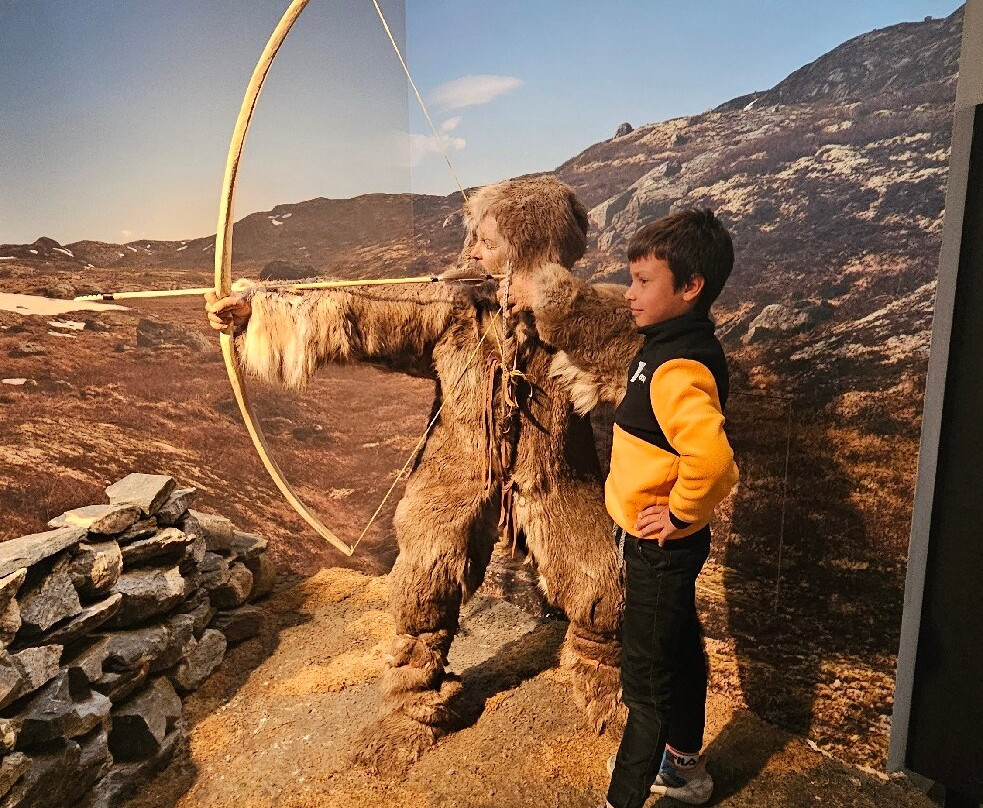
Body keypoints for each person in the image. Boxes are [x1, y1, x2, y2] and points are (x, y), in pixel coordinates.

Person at [203, 176, 626, 772]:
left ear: (530, 250)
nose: (471, 251)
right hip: (457, 469)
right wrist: (257, 310)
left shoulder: (585, 313)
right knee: (425, 571)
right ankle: (415, 698)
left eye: (488, 242)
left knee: (602, 582)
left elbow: (625, 355)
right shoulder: (456, 306)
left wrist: (556, 307)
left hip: (558, 478)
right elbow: (361, 312)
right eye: (474, 238)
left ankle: (606, 685)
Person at [511, 209, 739, 808]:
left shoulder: (676, 369)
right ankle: (685, 768)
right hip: (661, 545)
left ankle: (626, 795)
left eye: (643, 282)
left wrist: (680, 513)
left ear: (691, 287)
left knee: (644, 683)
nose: (630, 294)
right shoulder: (666, 344)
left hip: (659, 548)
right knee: (678, 651)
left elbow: (715, 462)